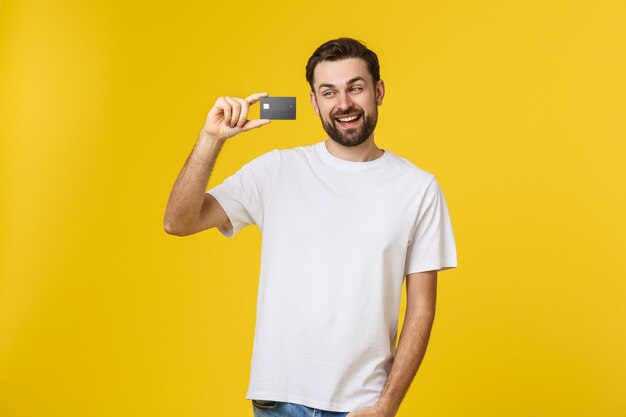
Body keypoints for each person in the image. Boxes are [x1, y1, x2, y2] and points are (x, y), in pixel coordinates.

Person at [164, 38, 458, 417]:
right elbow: (179, 221)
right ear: (314, 102)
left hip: (360, 406)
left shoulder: (418, 188)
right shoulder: (276, 171)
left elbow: (421, 309)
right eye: (329, 92)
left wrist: (387, 406)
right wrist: (210, 139)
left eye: (355, 87)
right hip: (278, 402)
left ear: (378, 91)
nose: (344, 104)